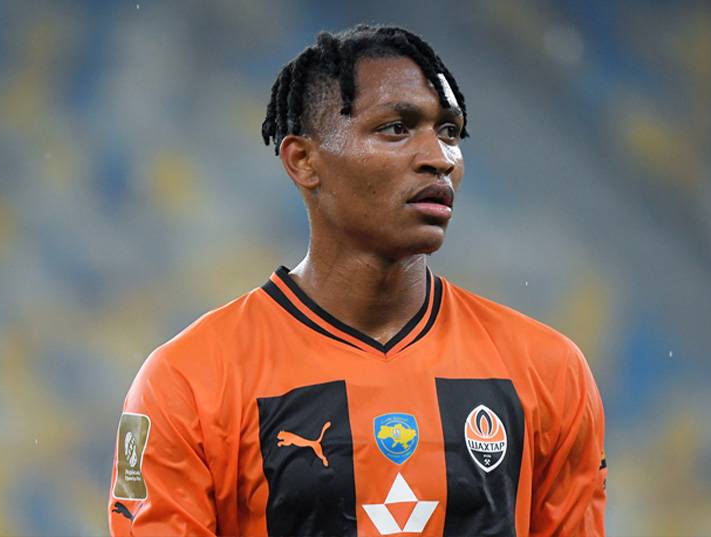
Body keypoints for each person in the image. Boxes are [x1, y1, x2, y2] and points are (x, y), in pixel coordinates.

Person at [107, 24, 607, 537]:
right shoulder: (186, 382)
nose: (439, 158)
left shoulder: (550, 371)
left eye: (449, 132)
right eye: (396, 128)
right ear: (304, 161)